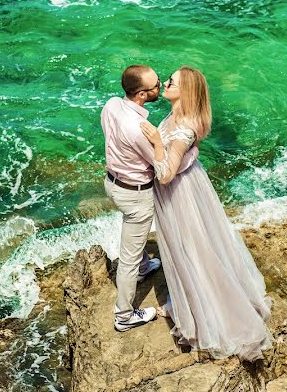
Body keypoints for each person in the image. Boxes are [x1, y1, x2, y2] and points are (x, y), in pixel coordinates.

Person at [140, 66, 272, 362]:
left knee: (192, 249)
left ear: (185, 92)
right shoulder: (173, 115)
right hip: (185, 189)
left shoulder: (184, 128)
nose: (166, 83)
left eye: (172, 81)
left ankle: (205, 310)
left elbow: (166, 175)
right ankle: (189, 299)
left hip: (180, 194)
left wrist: (156, 142)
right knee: (191, 246)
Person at [100, 64, 163, 332]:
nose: (160, 86)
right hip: (135, 195)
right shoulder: (139, 128)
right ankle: (124, 316)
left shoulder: (112, 104)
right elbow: (160, 166)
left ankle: (144, 264)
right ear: (140, 94)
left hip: (112, 183)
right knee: (128, 258)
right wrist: (159, 142)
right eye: (156, 85)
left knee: (131, 235)